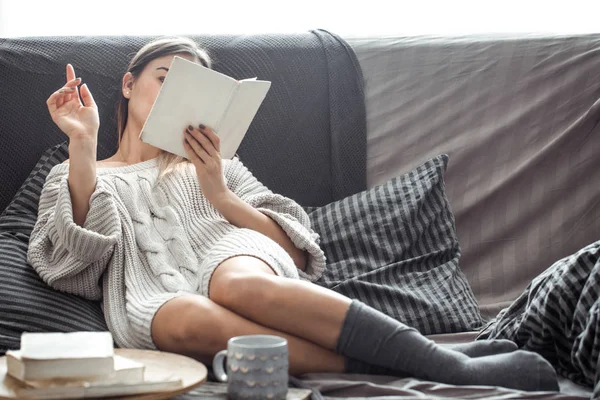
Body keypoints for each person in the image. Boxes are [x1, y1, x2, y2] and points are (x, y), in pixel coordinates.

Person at [27, 37, 559, 392]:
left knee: (236, 283)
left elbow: (294, 249)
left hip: (230, 252)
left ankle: (452, 367)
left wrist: (218, 191)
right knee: (183, 319)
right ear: (128, 84)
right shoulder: (76, 173)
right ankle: (410, 360)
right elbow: (74, 268)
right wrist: (83, 143)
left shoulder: (218, 164)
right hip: (148, 290)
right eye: (165, 77)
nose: (173, 93)